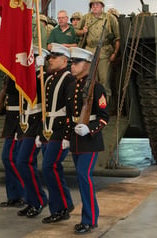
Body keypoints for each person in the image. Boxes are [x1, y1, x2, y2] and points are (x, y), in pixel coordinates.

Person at [64, 47, 109, 234]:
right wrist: (67, 137)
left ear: (88, 65)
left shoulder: (97, 88)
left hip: (90, 140)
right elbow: (68, 116)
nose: (72, 66)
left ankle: (89, 219)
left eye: (76, 63)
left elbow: (104, 117)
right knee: (82, 178)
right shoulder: (71, 86)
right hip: (75, 139)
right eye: (71, 63)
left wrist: (89, 129)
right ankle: (89, 218)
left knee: (84, 176)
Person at [39, 43, 75, 224]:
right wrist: (40, 133)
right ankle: (66, 203)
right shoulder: (49, 78)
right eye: (50, 57)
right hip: (48, 130)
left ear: (65, 60)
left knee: (48, 167)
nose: (50, 60)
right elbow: (44, 108)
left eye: (54, 57)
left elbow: (71, 110)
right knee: (54, 169)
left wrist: (67, 135)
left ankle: (59, 209)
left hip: (60, 131)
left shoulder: (69, 79)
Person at [17, 47, 49, 218]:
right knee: (21, 163)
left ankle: (38, 200)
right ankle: (31, 200)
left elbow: (46, 104)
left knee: (24, 162)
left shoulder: (43, 78)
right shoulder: (26, 77)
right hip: (25, 125)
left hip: (36, 124)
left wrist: (39, 132)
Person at [76, 0, 120, 97]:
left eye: (97, 4)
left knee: (104, 82)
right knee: (90, 81)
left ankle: (104, 108)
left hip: (105, 52)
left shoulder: (110, 18)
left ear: (102, 6)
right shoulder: (85, 18)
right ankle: (92, 107)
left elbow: (118, 37)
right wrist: (83, 31)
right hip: (89, 53)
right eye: (93, 5)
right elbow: (75, 31)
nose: (95, 6)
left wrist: (115, 53)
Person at [0, 76, 25, 208]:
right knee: (8, 159)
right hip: (11, 123)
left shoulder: (22, 74)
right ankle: (13, 196)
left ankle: (22, 194)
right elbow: (9, 99)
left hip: (20, 123)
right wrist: (1, 108)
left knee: (13, 159)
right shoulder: (10, 75)